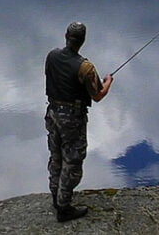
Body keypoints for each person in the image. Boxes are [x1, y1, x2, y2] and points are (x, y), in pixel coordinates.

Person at [44, 21, 113, 222]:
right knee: (72, 160)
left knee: (55, 155)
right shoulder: (86, 67)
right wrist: (108, 81)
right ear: (83, 40)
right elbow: (98, 95)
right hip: (72, 118)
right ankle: (64, 208)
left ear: (66, 36)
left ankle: (56, 196)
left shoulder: (52, 55)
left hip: (52, 112)